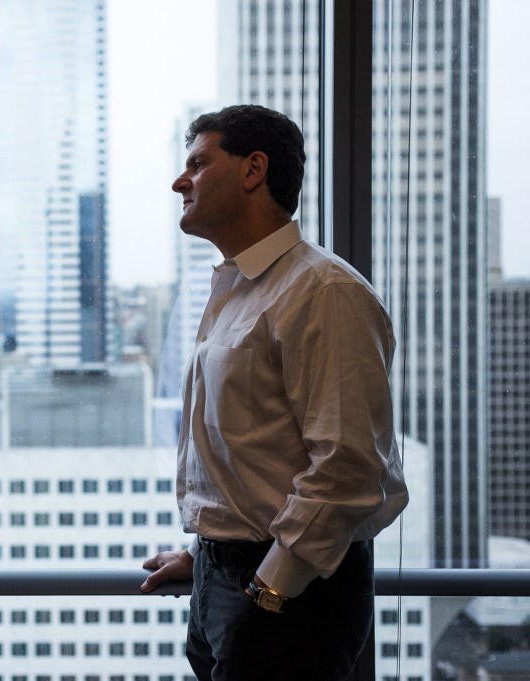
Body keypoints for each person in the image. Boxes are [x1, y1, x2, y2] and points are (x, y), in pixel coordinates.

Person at [140, 104, 408, 681]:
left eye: (198, 163)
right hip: (228, 581)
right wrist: (207, 557)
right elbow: (254, 453)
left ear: (253, 169)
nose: (179, 181)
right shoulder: (236, 290)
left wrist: (269, 586)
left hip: (290, 597)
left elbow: (350, 466)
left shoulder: (322, 291)